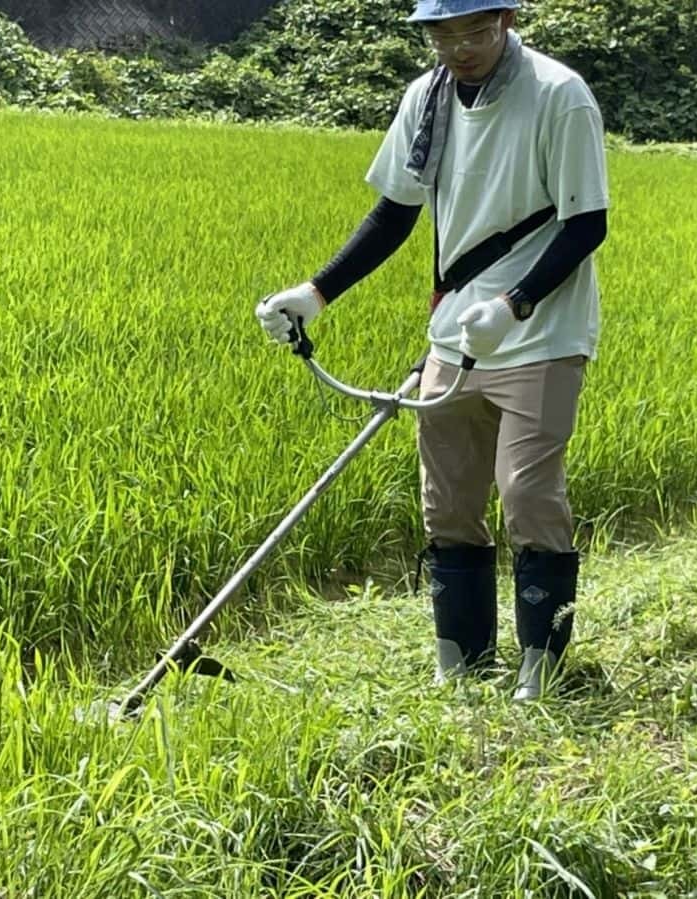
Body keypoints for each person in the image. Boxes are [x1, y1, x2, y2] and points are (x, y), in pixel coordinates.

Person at [255, 0, 610, 701]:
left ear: (506, 20)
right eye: (442, 33)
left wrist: (514, 305)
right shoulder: (428, 99)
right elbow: (395, 211)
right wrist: (316, 293)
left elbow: (585, 223)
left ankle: (541, 667)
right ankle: (462, 661)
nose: (460, 46)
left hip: (540, 335)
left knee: (528, 494)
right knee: (447, 504)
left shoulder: (558, 95)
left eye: (474, 29)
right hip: (455, 334)